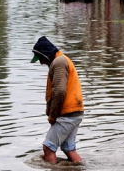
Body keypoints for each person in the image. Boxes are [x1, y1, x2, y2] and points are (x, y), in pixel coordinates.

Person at [30, 36, 85, 165]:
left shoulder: (59, 62)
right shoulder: (61, 60)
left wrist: (52, 116)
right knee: (68, 148)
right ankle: (81, 168)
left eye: (41, 59)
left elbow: (59, 92)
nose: (41, 62)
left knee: (48, 148)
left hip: (68, 113)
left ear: (46, 54)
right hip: (75, 112)